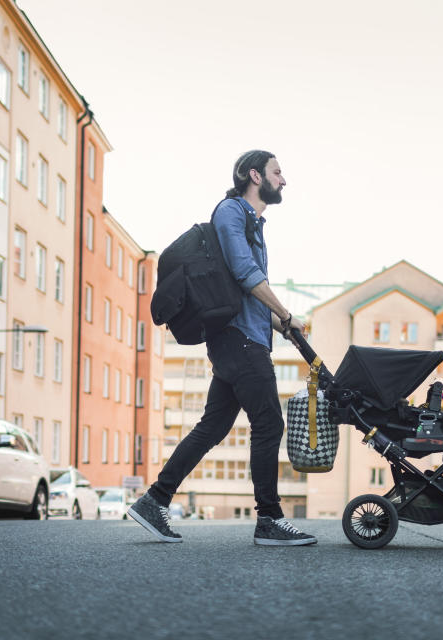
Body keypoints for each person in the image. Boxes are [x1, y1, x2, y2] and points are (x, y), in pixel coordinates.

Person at [128, 150, 316, 546]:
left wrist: (279, 323)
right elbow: (247, 274)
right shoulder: (231, 212)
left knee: (213, 426)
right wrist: (284, 313)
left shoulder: (253, 222)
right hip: (238, 339)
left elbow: (247, 284)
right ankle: (269, 519)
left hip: (244, 336)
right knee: (268, 424)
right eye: (277, 173)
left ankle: (154, 500)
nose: (283, 180)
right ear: (254, 175)